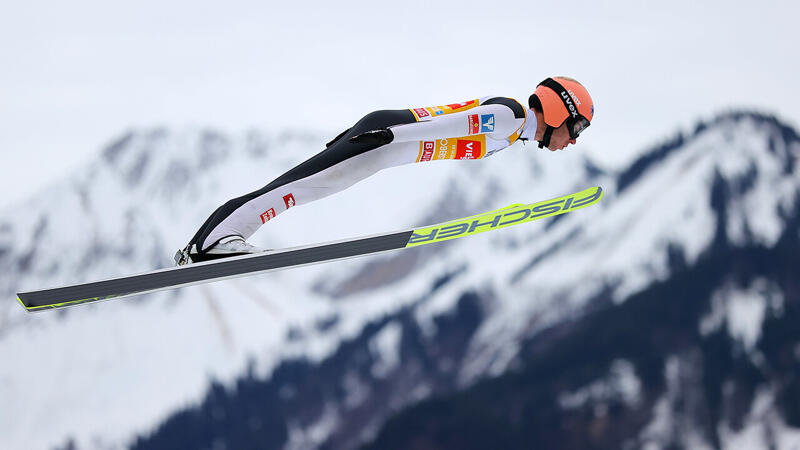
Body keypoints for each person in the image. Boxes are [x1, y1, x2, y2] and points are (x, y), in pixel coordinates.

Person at [174, 77, 594, 265]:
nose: (573, 140)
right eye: (576, 128)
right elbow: (439, 124)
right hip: (382, 139)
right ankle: (212, 242)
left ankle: (208, 244)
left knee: (302, 189)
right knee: (295, 187)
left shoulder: (514, 130)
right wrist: (382, 133)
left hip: (382, 150)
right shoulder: (509, 117)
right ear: (561, 109)